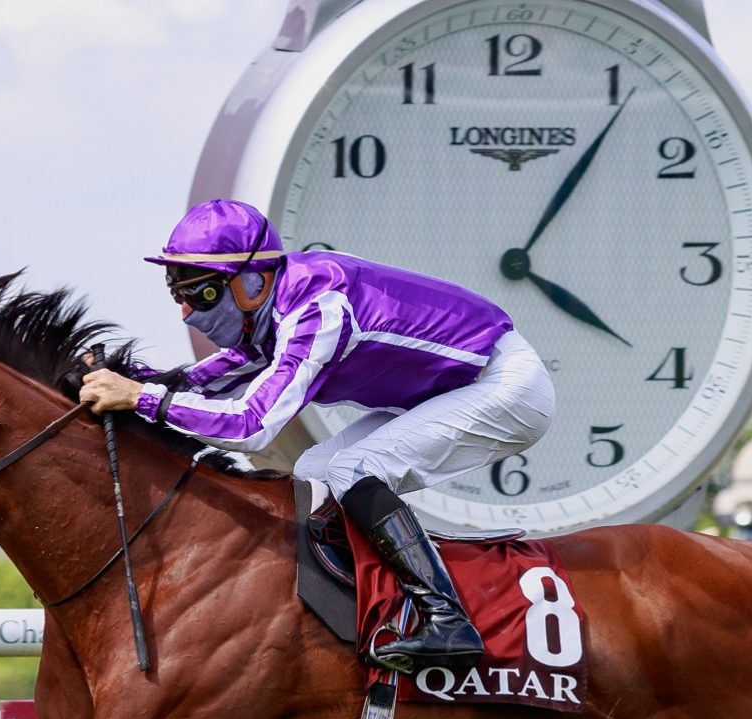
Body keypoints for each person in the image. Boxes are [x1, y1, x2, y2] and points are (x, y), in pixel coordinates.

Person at [78, 199, 554, 673]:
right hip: (450, 388)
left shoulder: (318, 306)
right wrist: (133, 378)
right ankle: (362, 604)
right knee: (314, 473)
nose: (187, 314)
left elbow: (252, 425)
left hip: (503, 385)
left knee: (352, 469)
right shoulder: (273, 310)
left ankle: (448, 622)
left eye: (200, 295)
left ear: (251, 282)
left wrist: (142, 398)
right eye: (176, 294)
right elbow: (212, 375)